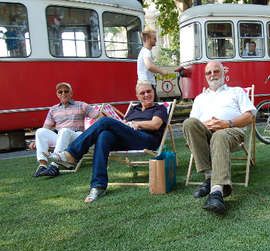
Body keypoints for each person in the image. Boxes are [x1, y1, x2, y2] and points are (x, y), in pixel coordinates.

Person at [47, 80, 168, 203]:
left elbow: (155, 124)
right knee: (104, 136)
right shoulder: (134, 109)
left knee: (105, 121)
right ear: (137, 96)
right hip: (129, 139)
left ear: (153, 92)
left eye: (149, 91)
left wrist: (137, 124)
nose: (146, 95)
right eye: (142, 93)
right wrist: (126, 125)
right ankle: (98, 186)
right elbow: (124, 125)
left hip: (147, 139)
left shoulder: (159, 108)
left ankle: (72, 154)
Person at [183, 61, 256, 214]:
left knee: (220, 135)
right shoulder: (199, 98)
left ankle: (217, 190)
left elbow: (249, 116)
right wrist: (207, 125)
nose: (212, 75)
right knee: (189, 123)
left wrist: (226, 123)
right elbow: (194, 122)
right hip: (207, 133)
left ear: (224, 73)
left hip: (231, 131)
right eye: (208, 73)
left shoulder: (236, 92)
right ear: (205, 76)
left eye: (216, 71)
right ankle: (210, 176)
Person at [30, 82, 100, 178]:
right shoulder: (53, 109)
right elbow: (46, 127)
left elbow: (98, 116)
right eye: (60, 92)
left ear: (71, 93)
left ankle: (54, 165)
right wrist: (35, 141)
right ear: (57, 94)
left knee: (64, 131)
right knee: (40, 131)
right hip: (61, 138)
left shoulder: (81, 105)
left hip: (78, 137)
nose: (63, 93)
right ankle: (42, 165)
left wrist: (97, 129)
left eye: (66, 91)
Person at [137, 29, 170, 98]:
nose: (156, 40)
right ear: (148, 39)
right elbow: (149, 66)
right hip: (147, 84)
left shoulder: (144, 51)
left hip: (145, 84)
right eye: (154, 38)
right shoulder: (146, 52)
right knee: (153, 106)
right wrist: (162, 72)